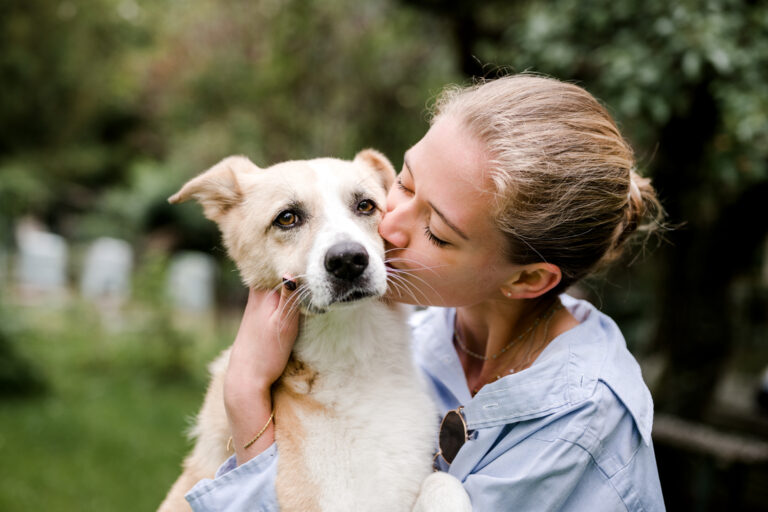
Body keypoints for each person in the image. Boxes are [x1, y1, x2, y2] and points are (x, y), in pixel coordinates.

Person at [185, 74, 666, 511]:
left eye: (435, 230)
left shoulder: (576, 428)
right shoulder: (420, 335)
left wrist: (246, 395)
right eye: (403, 185)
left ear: (524, 280)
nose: (384, 228)